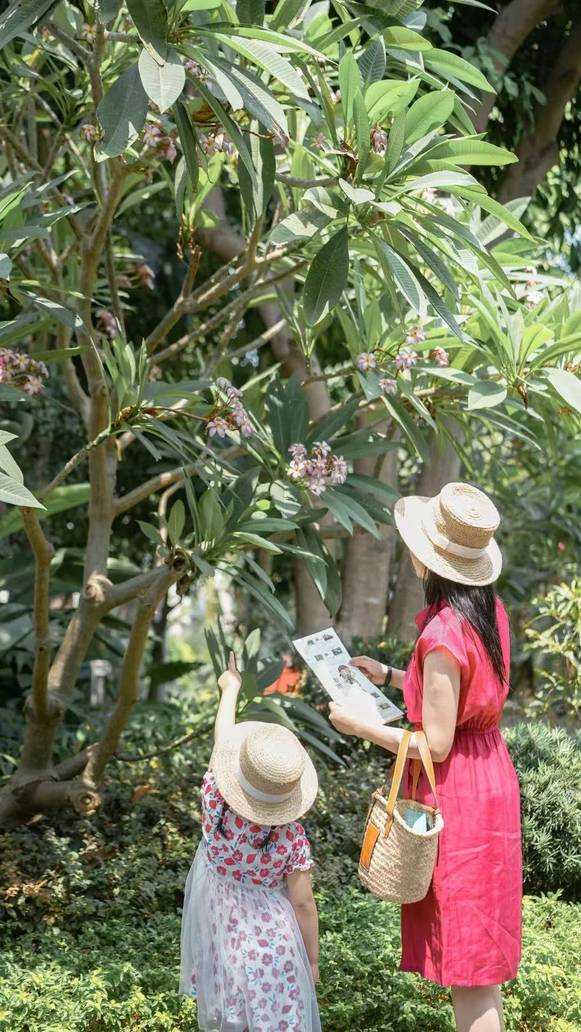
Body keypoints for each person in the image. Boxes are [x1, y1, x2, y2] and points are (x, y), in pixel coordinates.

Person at [329, 482, 522, 1032]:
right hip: (489, 779)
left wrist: (360, 725)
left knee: (470, 971)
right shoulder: (489, 613)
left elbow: (435, 745)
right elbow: (465, 698)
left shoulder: (442, 633)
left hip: (457, 792)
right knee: (482, 966)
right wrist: (389, 675)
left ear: (427, 558)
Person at [180, 652, 322, 1032]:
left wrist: (230, 689)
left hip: (220, 933)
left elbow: (221, 741)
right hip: (273, 948)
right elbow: (303, 903)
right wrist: (311, 960)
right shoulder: (290, 837)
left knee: (231, 1017)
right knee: (274, 1018)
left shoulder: (215, 802)